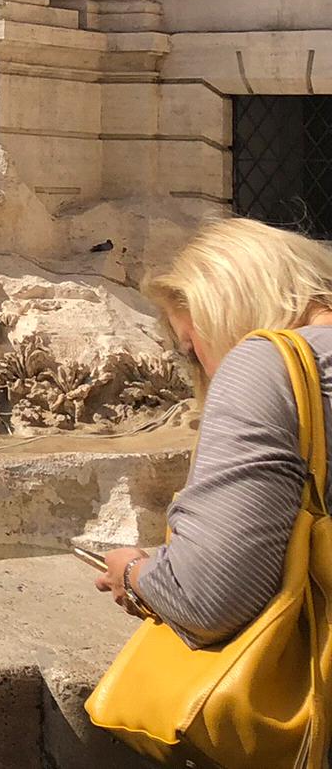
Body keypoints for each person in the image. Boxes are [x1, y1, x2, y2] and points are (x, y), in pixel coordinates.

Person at [93, 218, 332, 645]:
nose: (201, 370)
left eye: (190, 348)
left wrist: (132, 573)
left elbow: (206, 598)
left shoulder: (266, 365)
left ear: (222, 307)